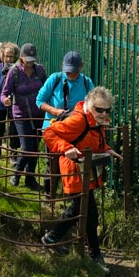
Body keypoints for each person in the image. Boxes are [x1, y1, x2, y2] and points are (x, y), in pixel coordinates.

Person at [41, 86, 123, 275]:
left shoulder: (96, 120)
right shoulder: (78, 120)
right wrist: (65, 147)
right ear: (89, 106)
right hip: (74, 173)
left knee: (78, 209)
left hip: (86, 172)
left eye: (107, 110)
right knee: (90, 215)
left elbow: (94, 139)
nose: (103, 114)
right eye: (99, 109)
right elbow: (49, 133)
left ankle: (52, 239)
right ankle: (95, 256)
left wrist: (106, 149)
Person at [36, 51, 94, 195]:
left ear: (81, 67)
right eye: (67, 71)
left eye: (73, 72)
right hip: (54, 129)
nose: (70, 74)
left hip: (76, 132)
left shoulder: (87, 83)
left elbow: (92, 106)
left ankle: (69, 194)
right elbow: (39, 101)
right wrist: (56, 112)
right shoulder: (54, 79)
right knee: (52, 163)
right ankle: (49, 195)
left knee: (72, 164)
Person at [1, 43, 46, 192]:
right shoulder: (14, 72)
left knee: (35, 148)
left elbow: (46, 89)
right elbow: (4, 92)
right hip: (21, 115)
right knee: (27, 148)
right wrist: (5, 100)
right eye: (27, 59)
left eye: (32, 59)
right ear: (20, 58)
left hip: (38, 114)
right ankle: (17, 173)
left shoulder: (40, 70)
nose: (30, 62)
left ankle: (30, 179)